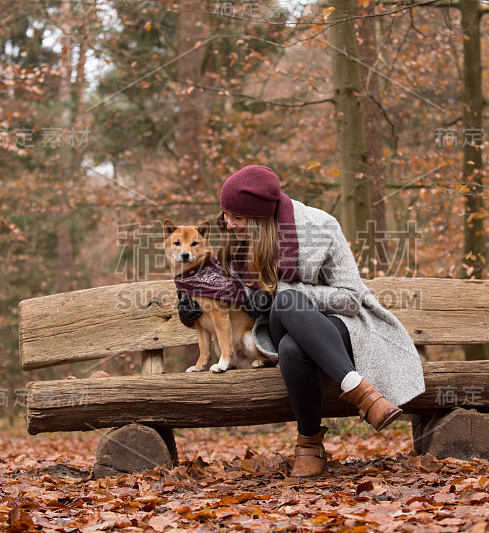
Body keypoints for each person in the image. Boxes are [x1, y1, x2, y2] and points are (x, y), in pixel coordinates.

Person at [179, 165, 425, 477]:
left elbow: (350, 298)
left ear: (259, 216)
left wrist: (281, 292)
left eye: (236, 217)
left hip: (338, 329)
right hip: (271, 331)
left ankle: (309, 443)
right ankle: (364, 393)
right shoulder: (232, 242)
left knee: (294, 342)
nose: (227, 224)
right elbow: (218, 295)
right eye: (225, 214)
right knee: (287, 311)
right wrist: (191, 311)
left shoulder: (321, 227)